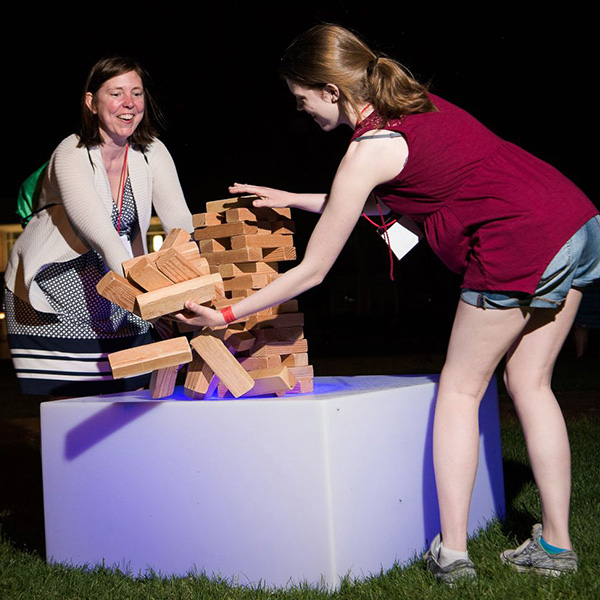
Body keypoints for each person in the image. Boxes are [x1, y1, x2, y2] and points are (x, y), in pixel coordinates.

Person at [173, 24, 600, 583]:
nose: (302, 112)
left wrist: (227, 314)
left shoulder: (366, 149)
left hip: (517, 238)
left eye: (302, 100)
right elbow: (378, 197)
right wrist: (292, 199)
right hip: (573, 217)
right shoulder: (415, 105)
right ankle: (556, 546)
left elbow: (314, 270)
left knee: (461, 388)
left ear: (330, 90)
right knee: (530, 383)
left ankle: (452, 553)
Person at [4, 56, 194, 398]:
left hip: (117, 279)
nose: (129, 104)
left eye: (136, 93)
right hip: (58, 284)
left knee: (135, 390)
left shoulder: (152, 152)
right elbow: (104, 238)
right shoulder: (71, 152)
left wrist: (185, 286)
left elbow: (180, 224)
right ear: (92, 103)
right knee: (74, 400)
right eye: (116, 93)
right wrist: (151, 300)